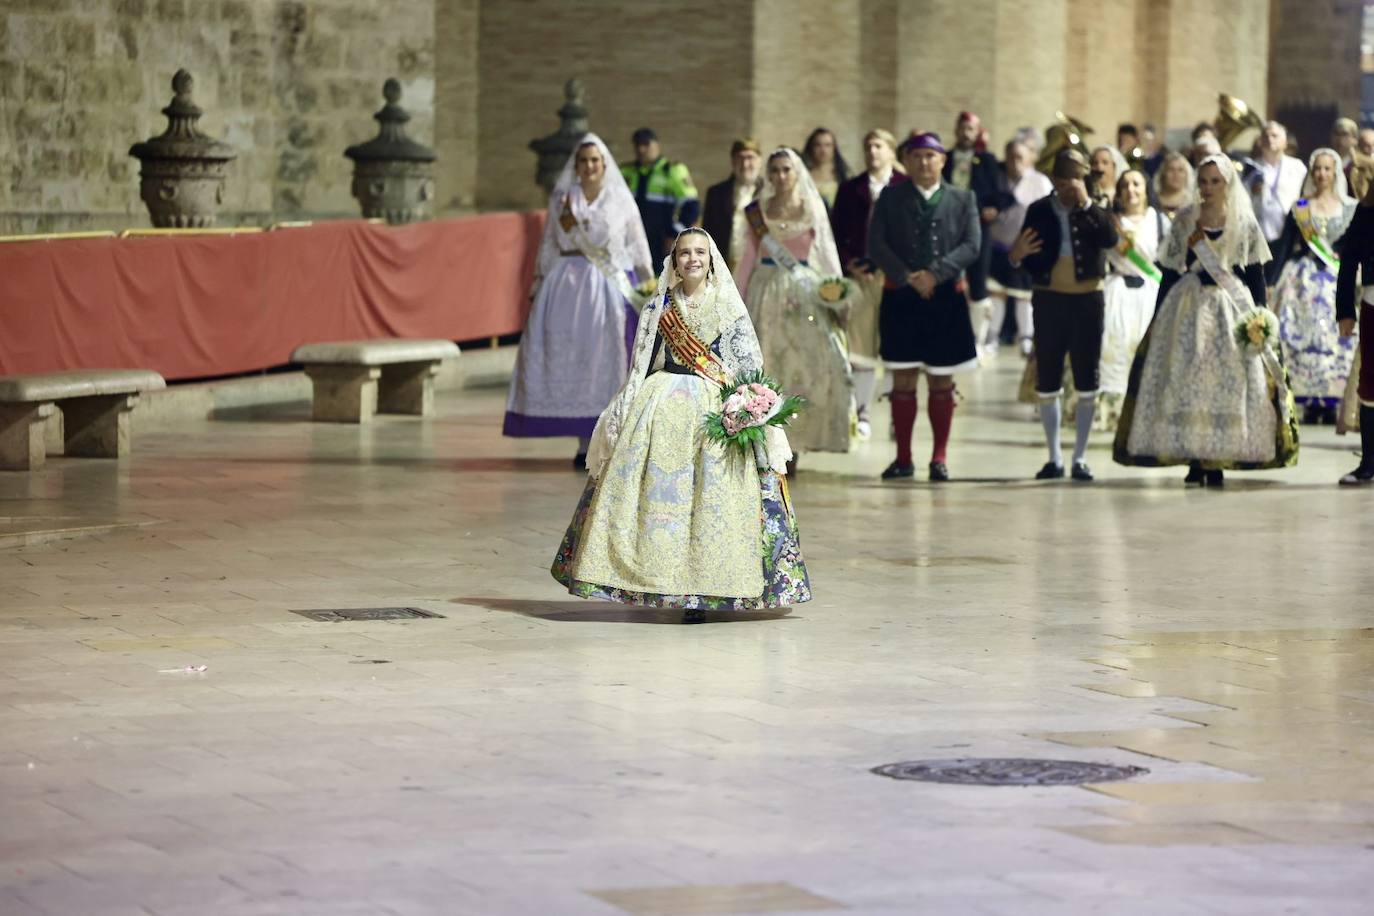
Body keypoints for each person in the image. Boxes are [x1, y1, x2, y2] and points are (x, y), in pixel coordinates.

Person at [551, 228, 811, 620]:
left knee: (712, 498)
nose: (692, 259)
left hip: (714, 410)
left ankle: (705, 591)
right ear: (674, 262)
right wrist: (625, 407)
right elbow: (641, 362)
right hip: (661, 405)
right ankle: (655, 583)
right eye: (684, 253)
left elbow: (747, 363)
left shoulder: (728, 304)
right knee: (657, 498)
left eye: (700, 253)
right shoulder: (660, 307)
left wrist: (749, 407)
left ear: (711, 259)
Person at [1114, 154, 1299, 486]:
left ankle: (1218, 458)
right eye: (1203, 181)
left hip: (1232, 312)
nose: (1209, 187)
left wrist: (1261, 318)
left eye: (1216, 181)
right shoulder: (1186, 220)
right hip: (1189, 308)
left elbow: (1255, 276)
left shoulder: (1244, 222)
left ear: (1227, 184)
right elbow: (1170, 272)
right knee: (1188, 379)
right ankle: (1195, 457)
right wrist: (1157, 319)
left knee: (1228, 384)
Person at [504, 135, 653, 467]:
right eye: (583, 161)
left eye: (594, 161)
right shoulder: (563, 199)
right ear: (577, 166)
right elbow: (548, 245)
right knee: (575, 360)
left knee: (607, 362)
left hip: (609, 289)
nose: (588, 167)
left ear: (604, 165)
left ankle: (610, 439)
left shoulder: (619, 199)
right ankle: (583, 442)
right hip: (566, 286)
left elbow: (636, 241)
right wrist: (539, 280)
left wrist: (648, 281)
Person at [868, 132, 981, 481]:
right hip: (901, 297)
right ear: (908, 160)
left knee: (941, 381)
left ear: (943, 160)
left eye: (930, 156)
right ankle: (903, 457)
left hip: (945, 298)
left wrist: (935, 274)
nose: (923, 162)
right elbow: (876, 243)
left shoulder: (963, 199)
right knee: (902, 379)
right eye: (916, 156)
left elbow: (972, 244)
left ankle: (939, 457)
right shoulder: (890, 197)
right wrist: (906, 275)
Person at [736, 148, 852, 463]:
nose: (780, 176)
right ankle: (765, 436)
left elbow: (827, 253)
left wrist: (837, 295)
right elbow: (748, 258)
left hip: (803, 296)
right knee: (769, 363)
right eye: (774, 170)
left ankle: (796, 443)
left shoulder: (812, 208)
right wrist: (736, 298)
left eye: (786, 169)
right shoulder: (757, 211)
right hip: (765, 293)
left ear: (796, 172)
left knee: (803, 367)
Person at [1009, 149, 1119, 481]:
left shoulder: (1096, 210)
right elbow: (1023, 256)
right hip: (1049, 300)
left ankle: (1080, 457)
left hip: (1088, 300)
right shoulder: (1039, 210)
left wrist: (1087, 203)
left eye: (1073, 181)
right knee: (1048, 381)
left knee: (1088, 380)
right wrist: (1016, 256)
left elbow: (1110, 239)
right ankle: (1054, 456)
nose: (1067, 189)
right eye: (1062, 182)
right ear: (1054, 181)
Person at [1270, 147, 1358, 423]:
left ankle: (1332, 399)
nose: (1321, 174)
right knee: (1299, 333)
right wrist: (1272, 282)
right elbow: (1284, 247)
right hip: (1302, 280)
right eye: (1317, 169)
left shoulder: (1350, 207)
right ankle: (1306, 398)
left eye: (1327, 169)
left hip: (1337, 279)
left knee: (1336, 336)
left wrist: (1341, 254)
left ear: (1335, 173)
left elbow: (1356, 243)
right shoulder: (1300, 207)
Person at [831, 128, 907, 437]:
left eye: (878, 146)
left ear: (891, 151)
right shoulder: (851, 189)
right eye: (868, 146)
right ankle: (862, 412)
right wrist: (851, 263)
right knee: (860, 349)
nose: (872, 151)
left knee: (893, 348)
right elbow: (837, 233)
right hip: (860, 276)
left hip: (894, 278)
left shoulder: (905, 187)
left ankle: (894, 413)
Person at [1097, 169, 1169, 430]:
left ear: (1146, 188)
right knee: (1113, 347)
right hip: (1117, 293)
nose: (1131, 190)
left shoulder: (1159, 221)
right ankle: (1113, 414)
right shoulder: (1111, 222)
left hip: (1151, 292)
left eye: (1137, 184)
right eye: (1125, 185)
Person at [986, 138, 1053, 357]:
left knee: (1024, 296)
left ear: (1029, 159)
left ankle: (1026, 337)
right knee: (997, 294)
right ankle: (991, 337)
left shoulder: (1039, 182)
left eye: (1019, 157)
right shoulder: (996, 179)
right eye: (1011, 157)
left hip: (1026, 246)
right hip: (998, 246)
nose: (1015, 162)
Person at [943, 111, 1003, 354]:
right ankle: (947, 335)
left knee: (978, 282)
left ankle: (977, 341)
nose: (966, 134)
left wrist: (994, 209)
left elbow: (996, 193)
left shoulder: (987, 160)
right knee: (947, 279)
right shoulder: (944, 158)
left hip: (977, 227)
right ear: (956, 130)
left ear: (977, 132)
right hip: (947, 228)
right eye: (963, 128)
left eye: (971, 129)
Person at [1333, 174, 1374, 485]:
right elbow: (1348, 263)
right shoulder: (1367, 210)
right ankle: (1369, 462)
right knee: (1371, 380)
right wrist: (1345, 310)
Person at [621, 127, 700, 266]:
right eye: (637, 145)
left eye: (646, 144)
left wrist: (675, 234)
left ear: (656, 145)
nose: (641, 149)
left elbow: (692, 206)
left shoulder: (672, 171)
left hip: (662, 242)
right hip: (631, 242)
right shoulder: (626, 172)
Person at [1248, 120, 1307, 280]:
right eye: (1265, 135)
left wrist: (1305, 229)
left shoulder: (1297, 167)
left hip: (1288, 235)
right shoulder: (1252, 168)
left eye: (1275, 135)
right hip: (1259, 235)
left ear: (1285, 141)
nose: (1270, 139)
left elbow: (1304, 200)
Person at [701, 138, 764, 273]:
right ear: (732, 161)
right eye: (740, 158)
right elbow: (707, 235)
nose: (745, 164)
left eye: (750, 158)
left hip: (758, 269)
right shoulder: (716, 193)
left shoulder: (769, 193)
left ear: (760, 161)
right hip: (724, 267)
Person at [802, 127, 850, 208]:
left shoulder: (843, 175)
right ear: (811, 148)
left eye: (828, 145)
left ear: (834, 148)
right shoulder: (803, 176)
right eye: (818, 145)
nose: (823, 150)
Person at [1151, 150, 1195, 220]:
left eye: (1180, 170)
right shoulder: (1151, 201)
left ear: (1187, 174)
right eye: (1171, 169)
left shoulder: (1194, 203)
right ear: (1163, 173)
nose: (1176, 174)